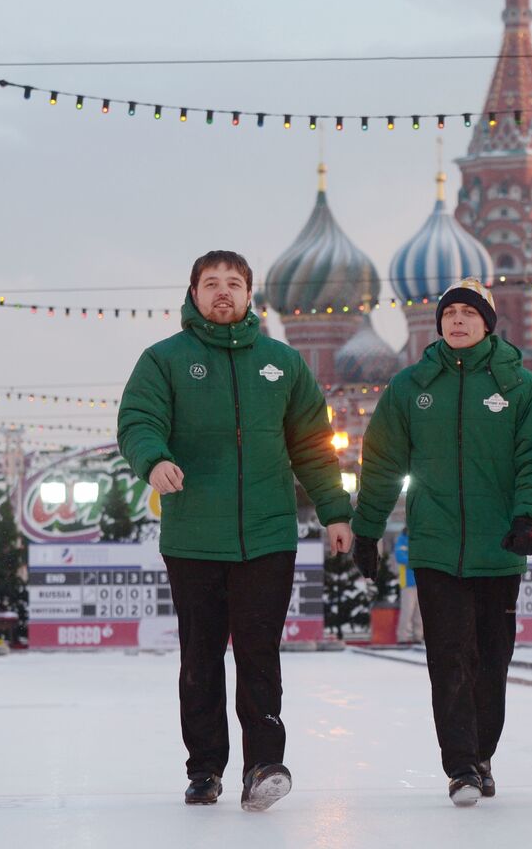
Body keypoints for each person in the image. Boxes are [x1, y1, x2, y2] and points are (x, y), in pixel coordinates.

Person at [117, 250, 353, 811]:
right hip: (194, 535)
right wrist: (153, 459)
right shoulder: (163, 360)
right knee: (200, 657)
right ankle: (204, 769)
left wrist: (335, 510)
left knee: (259, 653)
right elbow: (138, 421)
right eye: (211, 283)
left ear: (250, 295)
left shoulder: (282, 363)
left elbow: (313, 446)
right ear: (194, 293)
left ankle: (264, 764)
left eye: (234, 283)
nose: (222, 291)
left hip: (268, 535)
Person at [351, 278, 532, 806]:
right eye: (450, 315)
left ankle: (482, 754)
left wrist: (529, 518)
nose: (458, 322)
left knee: (491, 661)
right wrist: (367, 529)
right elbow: (380, 464)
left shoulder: (521, 388)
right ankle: (462, 765)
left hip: (501, 547)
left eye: (469, 313)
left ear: (488, 323)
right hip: (436, 546)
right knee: (448, 658)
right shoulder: (411, 387)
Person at [393, 529, 423, 645]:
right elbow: (400, 557)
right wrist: (416, 560)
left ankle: (418, 636)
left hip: (419, 582)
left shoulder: (418, 540)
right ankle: (402, 637)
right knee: (407, 611)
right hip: (407, 583)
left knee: (419, 612)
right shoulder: (402, 540)